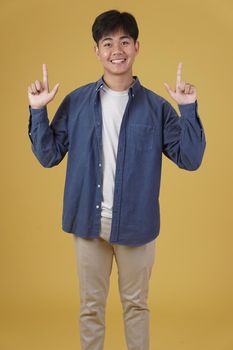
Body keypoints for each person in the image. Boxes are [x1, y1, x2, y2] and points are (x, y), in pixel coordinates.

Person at [27, 9, 206, 350]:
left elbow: (191, 159)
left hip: (137, 226)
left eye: (124, 41)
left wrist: (188, 107)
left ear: (137, 46)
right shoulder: (77, 102)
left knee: (137, 307)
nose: (116, 49)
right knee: (90, 308)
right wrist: (38, 111)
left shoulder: (157, 108)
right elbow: (49, 156)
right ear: (97, 51)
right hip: (88, 222)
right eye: (107, 42)